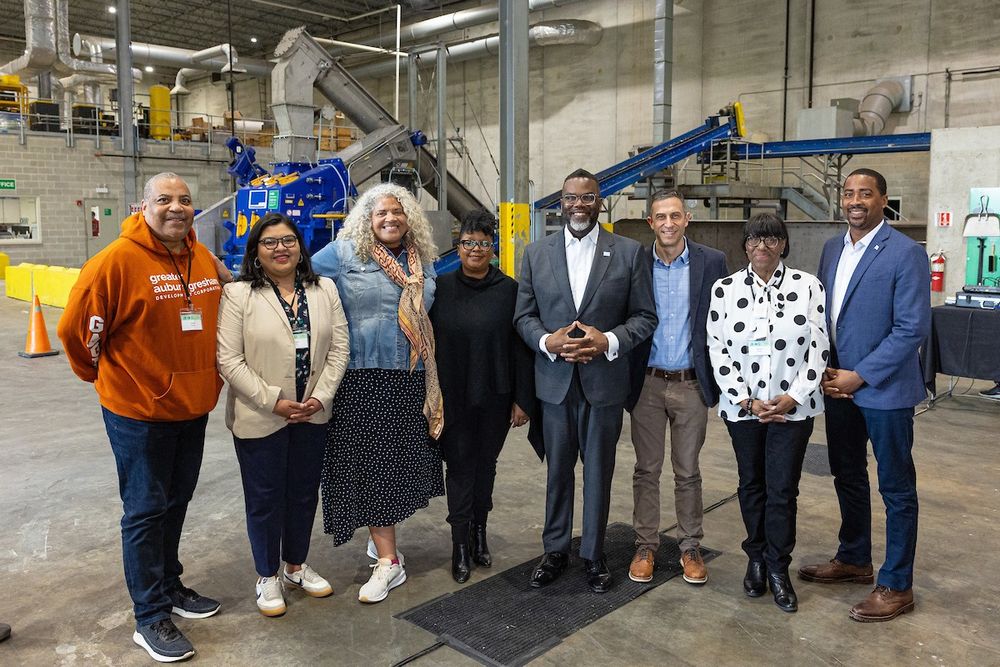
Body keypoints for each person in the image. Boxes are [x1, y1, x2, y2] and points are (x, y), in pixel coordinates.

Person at [58, 173, 225, 663]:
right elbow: (74, 330)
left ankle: (170, 585)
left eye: (186, 200)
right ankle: (149, 615)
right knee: (146, 509)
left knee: (176, 501)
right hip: (138, 411)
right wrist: (103, 376)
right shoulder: (113, 262)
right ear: (141, 205)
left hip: (193, 405)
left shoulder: (201, 257)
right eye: (165, 200)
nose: (177, 208)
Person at [514, 168, 657, 593]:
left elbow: (645, 317)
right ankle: (555, 549)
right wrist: (547, 342)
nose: (579, 205)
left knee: (598, 471)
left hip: (604, 383)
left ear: (601, 201)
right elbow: (523, 315)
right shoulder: (536, 253)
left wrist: (608, 340)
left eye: (588, 197)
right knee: (558, 470)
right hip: (554, 383)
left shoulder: (629, 253)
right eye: (571, 198)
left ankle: (594, 555)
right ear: (561, 203)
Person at [798, 168, 930, 622]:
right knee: (847, 473)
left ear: (883, 199)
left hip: (885, 391)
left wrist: (861, 375)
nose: (855, 200)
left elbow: (911, 328)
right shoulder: (833, 248)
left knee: (896, 487)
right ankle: (854, 557)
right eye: (849, 192)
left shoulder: (906, 252)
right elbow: (822, 316)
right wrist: (826, 370)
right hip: (838, 387)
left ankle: (897, 584)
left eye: (865, 193)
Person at [311, 183, 444, 604]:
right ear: (366, 219)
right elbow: (297, 275)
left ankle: (382, 541)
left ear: (410, 219)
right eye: (381, 213)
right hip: (360, 377)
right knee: (370, 470)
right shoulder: (344, 254)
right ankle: (389, 561)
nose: (390, 218)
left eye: (398, 212)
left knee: (396, 468)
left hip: (407, 377)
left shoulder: (422, 261)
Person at [217, 213, 350, 617]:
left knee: (303, 494)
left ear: (300, 246)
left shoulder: (324, 288)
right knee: (265, 498)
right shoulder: (238, 295)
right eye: (270, 242)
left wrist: (320, 397)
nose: (281, 248)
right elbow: (229, 359)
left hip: (312, 413)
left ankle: (295, 565)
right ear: (256, 252)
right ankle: (267, 575)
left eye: (288, 240)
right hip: (261, 416)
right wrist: (273, 400)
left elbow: (340, 349)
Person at [708, 213, 829, 613]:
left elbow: (820, 346)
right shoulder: (724, 290)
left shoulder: (807, 286)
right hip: (744, 409)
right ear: (745, 245)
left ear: (783, 244)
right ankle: (755, 559)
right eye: (755, 239)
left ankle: (779, 567)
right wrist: (744, 399)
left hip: (792, 411)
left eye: (771, 239)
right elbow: (716, 348)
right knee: (751, 485)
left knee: (782, 489)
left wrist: (793, 396)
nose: (763, 246)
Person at [625, 190, 728, 585]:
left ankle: (689, 546)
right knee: (646, 469)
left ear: (687, 219)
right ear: (650, 223)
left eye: (675, 216)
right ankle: (646, 544)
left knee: (688, 472)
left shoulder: (712, 262)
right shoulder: (635, 262)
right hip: (647, 383)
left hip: (690, 383)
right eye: (659, 217)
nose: (668, 223)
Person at [429, 210, 536, 583]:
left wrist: (523, 400)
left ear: (493, 248)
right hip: (452, 394)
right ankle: (459, 543)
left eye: (483, 243)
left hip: (496, 393)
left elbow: (522, 348)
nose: (475, 249)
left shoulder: (510, 290)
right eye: (468, 243)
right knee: (458, 467)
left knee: (485, 465)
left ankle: (479, 532)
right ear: (457, 247)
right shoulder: (440, 289)